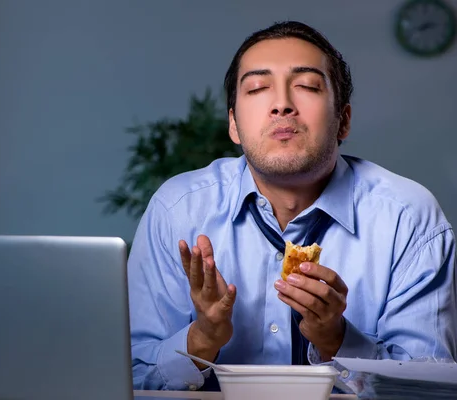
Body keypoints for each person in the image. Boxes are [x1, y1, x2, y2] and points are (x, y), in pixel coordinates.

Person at [127, 20, 457, 393]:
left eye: (307, 86)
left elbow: (431, 389)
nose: (282, 104)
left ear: (343, 121)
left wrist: (336, 338)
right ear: (234, 125)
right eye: (256, 88)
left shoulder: (408, 217)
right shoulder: (177, 211)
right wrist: (202, 338)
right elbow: (128, 377)